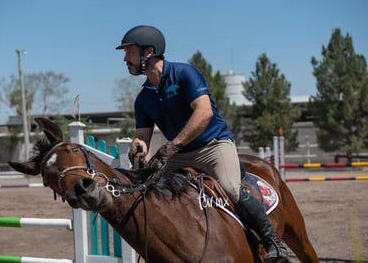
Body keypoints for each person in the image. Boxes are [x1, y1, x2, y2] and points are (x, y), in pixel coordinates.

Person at [116, 25, 288, 262]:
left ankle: (273, 243)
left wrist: (173, 144)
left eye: (129, 52)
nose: (125, 58)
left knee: (231, 187)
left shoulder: (185, 73)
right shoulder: (143, 98)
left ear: (149, 52)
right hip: (179, 154)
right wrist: (139, 146)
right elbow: (142, 135)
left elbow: (204, 113)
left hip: (214, 146)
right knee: (155, 193)